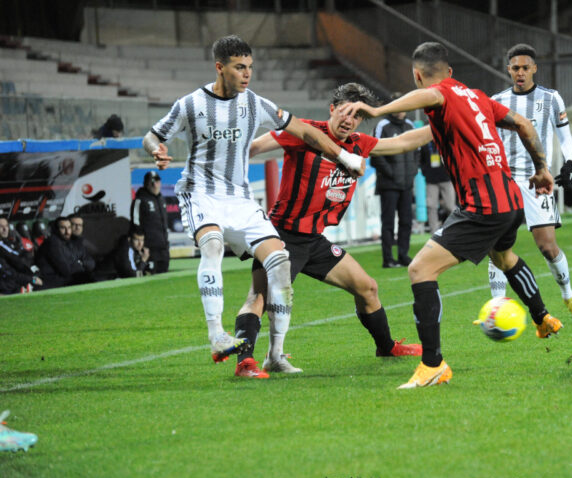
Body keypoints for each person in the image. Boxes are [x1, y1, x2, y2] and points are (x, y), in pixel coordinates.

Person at [341, 41, 562, 389]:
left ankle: (433, 364)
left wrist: (374, 110)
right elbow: (521, 123)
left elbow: (430, 96)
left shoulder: (439, 94)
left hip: (482, 207)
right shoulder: (474, 97)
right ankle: (543, 317)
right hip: (509, 201)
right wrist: (542, 168)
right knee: (503, 256)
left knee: (420, 269)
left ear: (418, 75)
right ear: (451, 71)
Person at [141, 35, 366, 364]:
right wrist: (156, 150)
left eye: (250, 67)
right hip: (201, 192)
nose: (247, 74)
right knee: (213, 245)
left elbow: (304, 131)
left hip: (240, 199)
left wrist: (344, 157)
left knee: (279, 262)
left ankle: (275, 354)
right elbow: (153, 136)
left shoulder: (255, 103)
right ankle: (217, 335)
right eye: (239, 67)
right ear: (220, 68)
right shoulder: (190, 104)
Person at [231, 83, 429, 378]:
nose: (349, 120)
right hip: (281, 235)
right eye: (345, 112)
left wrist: (442, 126)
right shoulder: (304, 131)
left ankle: (386, 346)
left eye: (357, 115)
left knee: (368, 288)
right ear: (332, 109)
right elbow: (255, 148)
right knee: (259, 296)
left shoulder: (360, 144)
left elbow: (401, 143)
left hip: (313, 240)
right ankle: (245, 362)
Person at [487, 43, 572, 320]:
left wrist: (569, 164)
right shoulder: (496, 100)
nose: (520, 73)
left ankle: (568, 294)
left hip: (536, 181)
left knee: (547, 246)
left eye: (525, 68)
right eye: (515, 68)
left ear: (534, 68)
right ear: (508, 70)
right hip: (505, 180)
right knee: (496, 246)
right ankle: (497, 307)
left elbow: (565, 136)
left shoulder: (551, 98)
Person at [371, 92, 419, 268]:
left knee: (406, 221)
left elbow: (417, 151)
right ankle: (388, 258)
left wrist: (412, 171)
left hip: (407, 183)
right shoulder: (382, 126)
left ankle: (403, 255)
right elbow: (374, 153)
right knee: (388, 222)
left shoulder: (410, 125)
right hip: (389, 184)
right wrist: (391, 172)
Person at [35, 217, 94, 288]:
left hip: (64, 278)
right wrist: (79, 265)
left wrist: (79, 265)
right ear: (55, 230)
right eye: (63, 228)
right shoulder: (53, 243)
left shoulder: (67, 242)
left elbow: (89, 262)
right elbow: (65, 269)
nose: (67, 232)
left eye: (69, 228)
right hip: (52, 281)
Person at [130, 171, 170, 273]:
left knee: (165, 275)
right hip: (149, 249)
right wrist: (141, 246)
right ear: (146, 184)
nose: (155, 185)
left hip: (163, 247)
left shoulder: (161, 199)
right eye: (151, 182)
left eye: (156, 181)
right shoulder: (140, 200)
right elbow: (135, 223)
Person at [419, 141, 455, 233]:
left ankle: (455, 229)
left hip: (446, 179)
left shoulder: (445, 142)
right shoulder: (425, 144)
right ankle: (434, 232)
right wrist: (425, 172)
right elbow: (421, 160)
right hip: (431, 180)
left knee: (450, 206)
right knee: (431, 206)